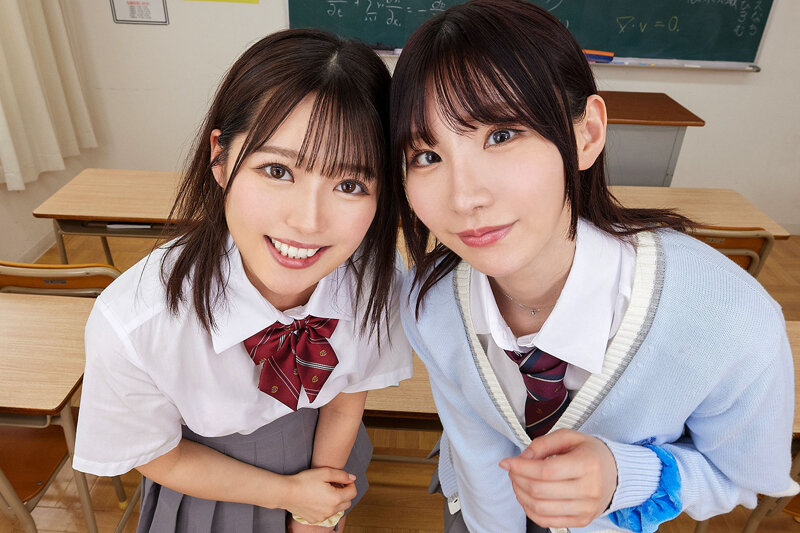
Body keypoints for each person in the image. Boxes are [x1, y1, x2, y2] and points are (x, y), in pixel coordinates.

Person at [389, 1, 797, 532]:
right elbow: (473, 443)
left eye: (502, 135)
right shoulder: (432, 302)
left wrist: (627, 475)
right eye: (426, 156)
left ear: (587, 134)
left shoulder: (729, 319)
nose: (464, 197)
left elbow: (739, 476)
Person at [74, 28, 411, 532]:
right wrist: (289, 495)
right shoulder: (136, 323)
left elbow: (347, 398)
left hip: (328, 462)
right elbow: (160, 456)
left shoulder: (375, 280)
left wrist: (313, 514)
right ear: (221, 156)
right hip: (206, 484)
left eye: (349, 184)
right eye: (277, 170)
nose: (307, 222)